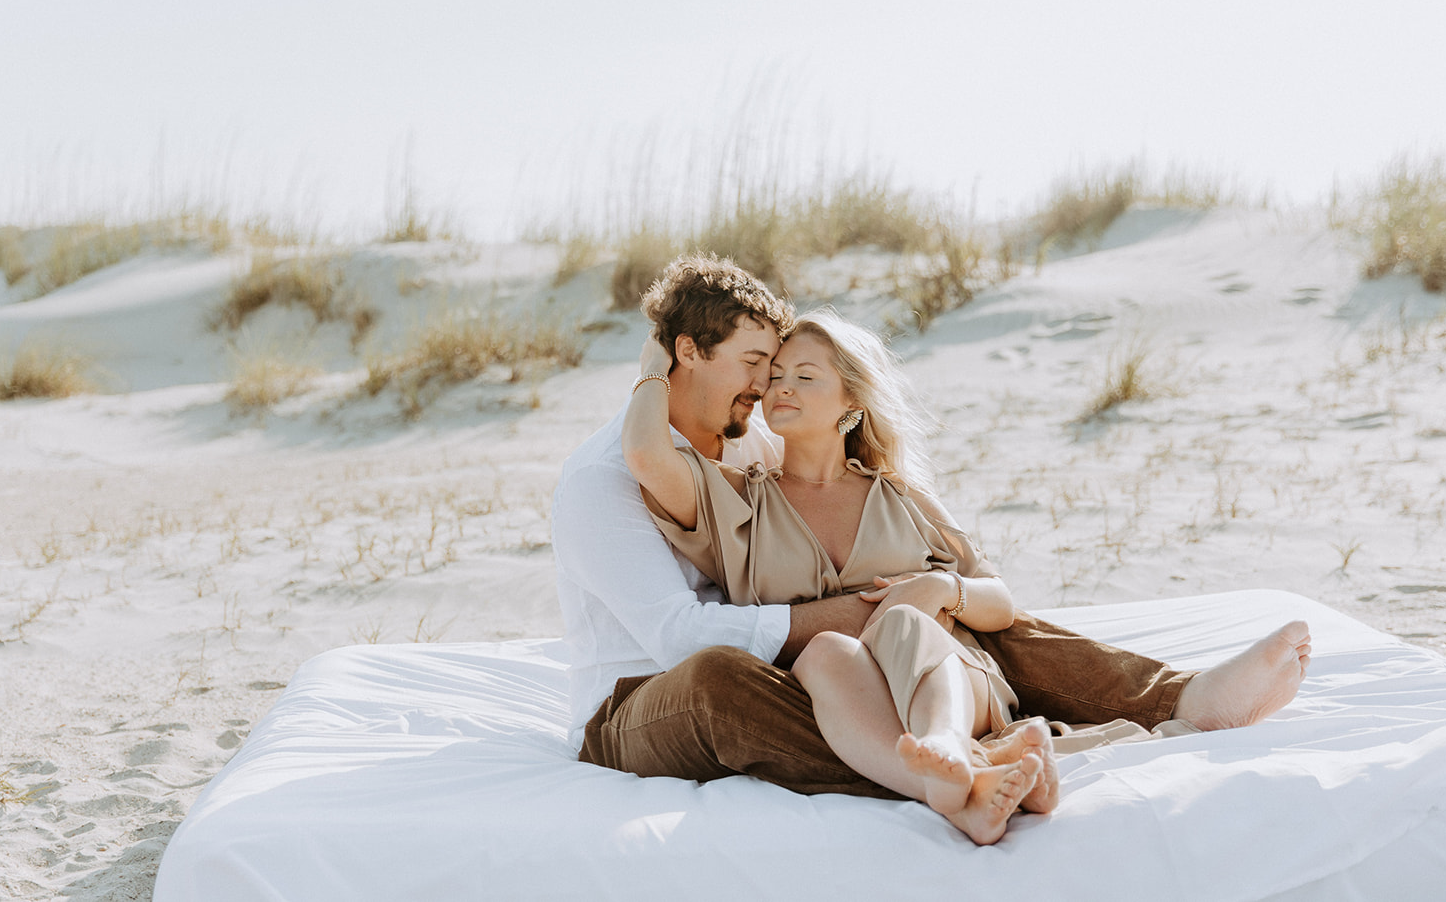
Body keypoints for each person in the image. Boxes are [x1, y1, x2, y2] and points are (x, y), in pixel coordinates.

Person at [552, 255, 1311, 832]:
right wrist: (850, 612)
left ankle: (1180, 698)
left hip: (807, 660)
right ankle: (971, 768)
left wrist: (928, 595)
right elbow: (675, 636)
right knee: (729, 675)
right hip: (645, 697)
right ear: (687, 353)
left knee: (952, 617)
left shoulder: (749, 447)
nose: (766, 388)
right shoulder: (604, 480)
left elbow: (943, 564)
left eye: (783, 372)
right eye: (756, 366)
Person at [624, 306, 1058, 842]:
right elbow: (645, 453)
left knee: (905, 624)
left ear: (851, 401)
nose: (781, 388)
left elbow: (1000, 601)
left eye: (805, 377)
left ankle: (946, 747)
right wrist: (653, 364)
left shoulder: (900, 495)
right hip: (840, 703)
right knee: (825, 649)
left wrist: (943, 587)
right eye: (776, 377)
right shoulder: (740, 501)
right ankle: (955, 791)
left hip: (949, 683)